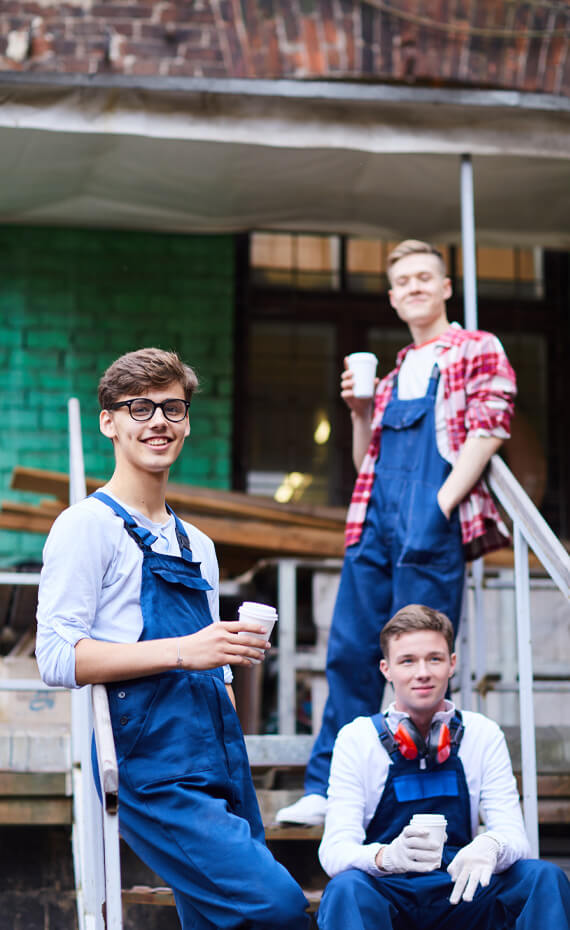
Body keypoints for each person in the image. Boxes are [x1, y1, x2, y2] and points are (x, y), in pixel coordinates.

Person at [35, 347, 311, 930]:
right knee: (276, 906)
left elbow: (214, 661)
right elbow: (57, 656)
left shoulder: (198, 545)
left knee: (218, 920)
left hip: (216, 754)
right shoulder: (87, 526)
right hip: (150, 764)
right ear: (108, 421)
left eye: (173, 408)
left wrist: (226, 664)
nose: (159, 421)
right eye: (139, 408)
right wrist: (190, 650)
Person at [277, 240, 517, 826]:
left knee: (421, 663)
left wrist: (441, 502)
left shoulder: (474, 349)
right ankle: (329, 788)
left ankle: (421, 794)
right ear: (392, 297)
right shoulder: (388, 377)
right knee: (351, 651)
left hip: (432, 521)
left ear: (445, 288)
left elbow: (491, 427)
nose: (413, 287)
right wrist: (360, 411)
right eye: (403, 280)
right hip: (375, 521)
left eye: (424, 277)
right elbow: (367, 462)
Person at [316, 604, 570, 930]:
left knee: (542, 877)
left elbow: (514, 836)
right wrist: (387, 857)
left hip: (464, 890)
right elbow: (335, 850)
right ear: (386, 669)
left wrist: (490, 846)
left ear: (451, 664)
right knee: (346, 889)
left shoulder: (482, 733)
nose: (422, 672)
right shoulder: (357, 738)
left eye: (434, 659)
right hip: (391, 893)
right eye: (407, 661)